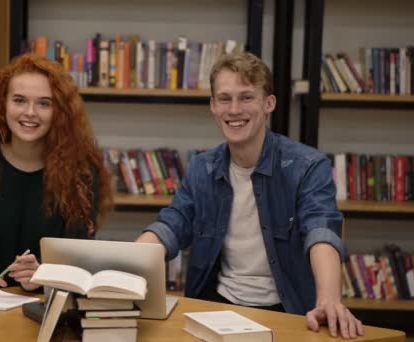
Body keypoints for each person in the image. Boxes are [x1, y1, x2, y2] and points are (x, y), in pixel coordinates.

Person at [136, 52, 364, 339]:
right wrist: (128, 262)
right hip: (214, 307)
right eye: (224, 98)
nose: (234, 109)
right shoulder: (201, 168)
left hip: (287, 309)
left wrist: (329, 299)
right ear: (213, 106)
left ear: (268, 103)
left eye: (246, 97)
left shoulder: (308, 166)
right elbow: (172, 225)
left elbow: (321, 232)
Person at [0, 53, 112, 299]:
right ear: (3, 105)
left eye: (44, 103)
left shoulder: (82, 173)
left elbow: (79, 260)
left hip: (50, 311)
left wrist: (43, 274)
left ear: (60, 112)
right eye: (19, 100)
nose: (30, 112)